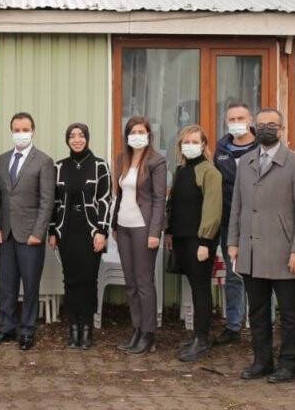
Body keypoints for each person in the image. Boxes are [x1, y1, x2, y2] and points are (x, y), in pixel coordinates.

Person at [227, 108, 295, 384]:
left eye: (272, 125)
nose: (266, 128)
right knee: (258, 311)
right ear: (254, 127)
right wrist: (233, 242)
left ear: (282, 128)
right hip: (251, 249)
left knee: (289, 313)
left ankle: (288, 364)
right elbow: (237, 207)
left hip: (284, 251)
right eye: (261, 124)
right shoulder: (246, 161)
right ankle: (262, 361)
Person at [0, 113, 55, 351]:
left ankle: (27, 330)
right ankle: (7, 327)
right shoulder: (2, 159)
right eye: (16, 129)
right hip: (6, 233)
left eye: (25, 129)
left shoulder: (43, 161)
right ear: (11, 131)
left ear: (33, 130)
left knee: (30, 285)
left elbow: (47, 201)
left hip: (30, 235)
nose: (21, 133)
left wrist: (39, 232)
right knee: (6, 284)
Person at [50, 122, 111, 350]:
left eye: (81, 135)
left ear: (87, 138)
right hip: (66, 230)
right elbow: (54, 203)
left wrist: (102, 231)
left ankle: (86, 329)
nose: (77, 139)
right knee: (71, 279)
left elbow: (105, 200)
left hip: (91, 231)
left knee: (88, 280)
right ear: (67, 140)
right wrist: (52, 230)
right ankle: (73, 327)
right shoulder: (59, 167)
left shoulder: (99, 166)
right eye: (72, 136)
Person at [165, 125, 223, 363]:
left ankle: (202, 338)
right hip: (180, 239)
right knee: (193, 286)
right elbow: (174, 205)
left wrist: (205, 241)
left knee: (201, 289)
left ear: (203, 144)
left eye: (194, 141)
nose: (189, 145)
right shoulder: (180, 171)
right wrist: (169, 232)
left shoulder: (210, 172)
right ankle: (197, 335)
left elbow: (212, 210)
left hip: (199, 242)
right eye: (185, 141)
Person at [111, 116, 168, 356]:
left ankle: (148, 333)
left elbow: (158, 199)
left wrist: (155, 232)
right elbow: (119, 195)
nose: (137, 135)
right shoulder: (122, 159)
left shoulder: (157, 161)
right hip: (123, 226)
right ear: (127, 135)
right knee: (131, 282)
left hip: (144, 228)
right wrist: (114, 225)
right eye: (132, 131)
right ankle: (136, 329)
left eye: (141, 131)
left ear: (148, 134)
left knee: (144, 282)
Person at [212, 103, 258, 346]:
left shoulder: (263, 145)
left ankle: (264, 324)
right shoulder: (221, 149)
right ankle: (233, 325)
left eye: (241, 117)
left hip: (260, 221)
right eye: (232, 118)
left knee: (263, 274)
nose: (237, 121)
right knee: (234, 274)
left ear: (250, 119)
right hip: (231, 220)